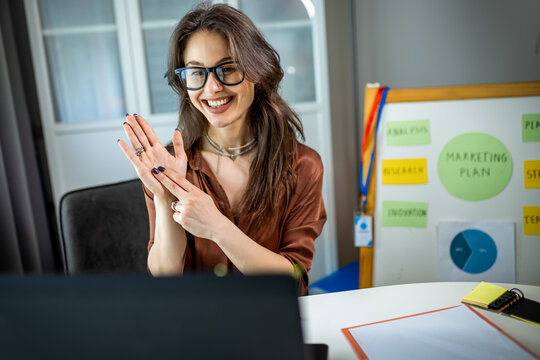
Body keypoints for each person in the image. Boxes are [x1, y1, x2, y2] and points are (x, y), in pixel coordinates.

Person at [117, 3, 326, 295]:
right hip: (198, 324)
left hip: (270, 319)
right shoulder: (169, 163)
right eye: (196, 73)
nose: (212, 88)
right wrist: (165, 197)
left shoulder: (303, 165)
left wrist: (218, 227)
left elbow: (292, 278)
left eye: (227, 69)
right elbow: (165, 276)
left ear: (257, 71)